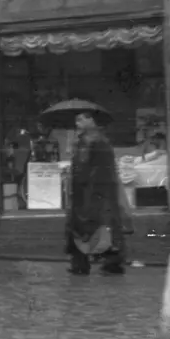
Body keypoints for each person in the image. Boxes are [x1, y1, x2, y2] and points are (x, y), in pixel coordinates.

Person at [66, 111, 129, 276]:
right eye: (76, 120)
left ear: (91, 121)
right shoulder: (84, 142)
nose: (77, 123)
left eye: (81, 119)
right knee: (83, 227)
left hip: (94, 193)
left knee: (98, 226)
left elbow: (95, 169)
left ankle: (108, 262)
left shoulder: (96, 142)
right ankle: (82, 263)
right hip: (85, 194)